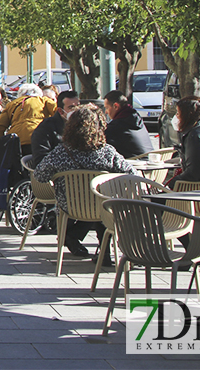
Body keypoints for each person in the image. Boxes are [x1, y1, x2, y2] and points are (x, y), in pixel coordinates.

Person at [34, 104, 139, 260]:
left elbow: (39, 175)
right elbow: (132, 174)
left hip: (70, 205)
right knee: (103, 199)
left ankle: (70, 237)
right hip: (101, 206)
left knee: (90, 200)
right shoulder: (107, 152)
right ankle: (104, 252)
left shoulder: (61, 152)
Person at [0, 83, 57, 156]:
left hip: (16, 141)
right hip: (39, 138)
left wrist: (0, 147)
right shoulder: (43, 100)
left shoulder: (12, 104)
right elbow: (58, 112)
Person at [29, 90, 80, 169]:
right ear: (60, 111)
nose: (76, 110)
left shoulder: (82, 125)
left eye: (78, 106)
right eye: (71, 107)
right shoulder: (45, 128)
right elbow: (41, 158)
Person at [103, 90, 153, 159]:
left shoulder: (116, 126)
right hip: (150, 161)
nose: (106, 112)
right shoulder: (136, 119)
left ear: (116, 106)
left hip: (135, 165)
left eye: (107, 108)